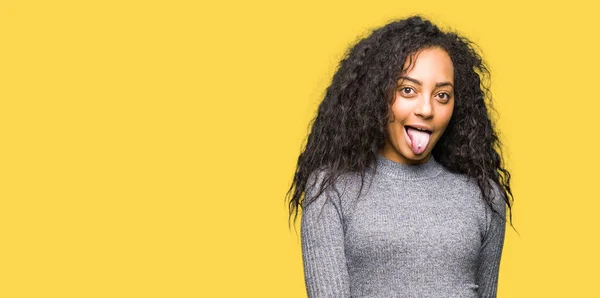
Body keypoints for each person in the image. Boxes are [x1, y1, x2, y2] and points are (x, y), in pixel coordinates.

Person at [286, 16, 514, 297]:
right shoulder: (331, 190)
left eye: (442, 95)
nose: (426, 109)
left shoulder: (484, 196)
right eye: (408, 90)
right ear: (377, 95)